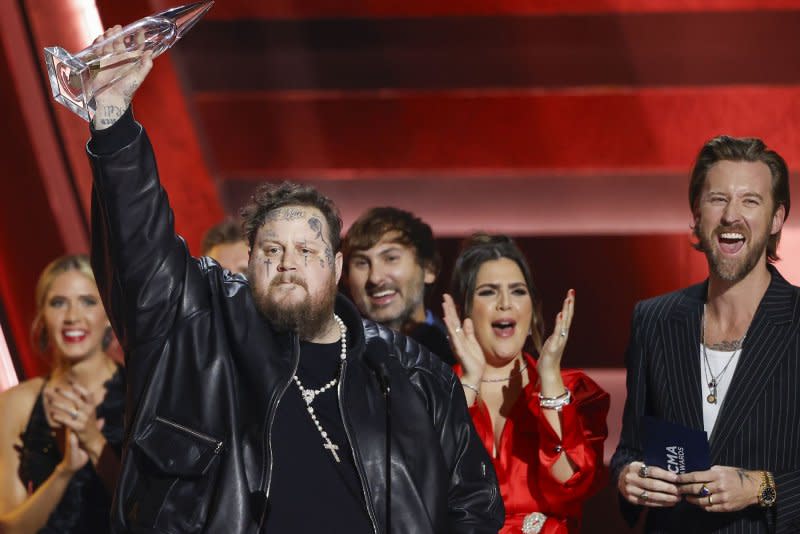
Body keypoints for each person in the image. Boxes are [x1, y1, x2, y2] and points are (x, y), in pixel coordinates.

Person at [85, 27, 503, 534]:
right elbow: (140, 253)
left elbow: (473, 504)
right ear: (251, 262)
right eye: (271, 251)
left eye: (307, 251)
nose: (288, 263)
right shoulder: (201, 334)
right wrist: (112, 120)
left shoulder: (411, 373)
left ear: (337, 268)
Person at [611, 135, 799, 533]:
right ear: (697, 213)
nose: (732, 215)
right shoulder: (654, 320)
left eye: (750, 200)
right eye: (718, 199)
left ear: (777, 219)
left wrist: (760, 488)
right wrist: (628, 476)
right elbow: (630, 447)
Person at [443, 234, 609, 533]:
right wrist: (467, 383)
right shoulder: (434, 391)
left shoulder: (574, 391)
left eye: (518, 291)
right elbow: (428, 486)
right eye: (488, 292)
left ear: (532, 308)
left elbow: (569, 484)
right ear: (465, 310)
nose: (505, 303)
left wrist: (548, 377)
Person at [0, 255, 124, 533]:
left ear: (107, 314)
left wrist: (93, 440)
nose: (72, 317)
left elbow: (153, 513)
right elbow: (9, 527)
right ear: (42, 316)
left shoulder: (140, 390)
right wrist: (65, 470)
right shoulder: (16, 405)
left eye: (87, 301)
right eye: (58, 303)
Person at [343, 207, 455, 364]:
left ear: (429, 269)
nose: (375, 277)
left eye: (390, 258)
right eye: (361, 262)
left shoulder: (458, 356)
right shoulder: (336, 357)